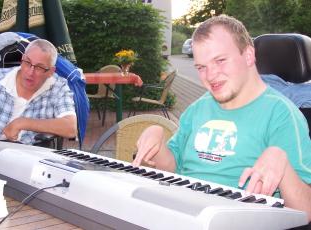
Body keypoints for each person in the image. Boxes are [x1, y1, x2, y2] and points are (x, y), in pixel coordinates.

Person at [133, 15, 311, 220]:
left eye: (220, 60)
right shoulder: (198, 108)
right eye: (201, 67)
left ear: (248, 55)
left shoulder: (281, 114)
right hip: (182, 214)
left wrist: (283, 165)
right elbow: (173, 166)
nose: (210, 76)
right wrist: (156, 141)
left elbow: (305, 211)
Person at [0, 39, 77, 145]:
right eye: (27, 62)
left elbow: (70, 128)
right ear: (22, 59)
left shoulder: (58, 87)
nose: (30, 72)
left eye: (39, 67)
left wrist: (23, 122)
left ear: (51, 72)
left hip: (26, 157)